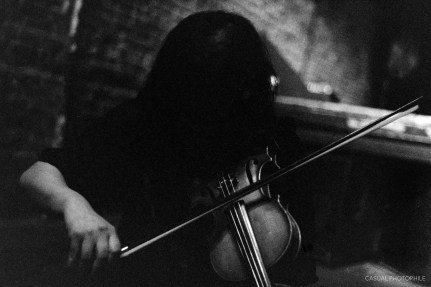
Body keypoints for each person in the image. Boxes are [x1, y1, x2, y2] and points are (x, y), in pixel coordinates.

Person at [20, 11, 317, 287]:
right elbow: (38, 174)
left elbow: (302, 267)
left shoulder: (278, 145)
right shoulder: (150, 121)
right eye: (196, 101)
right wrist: (76, 206)